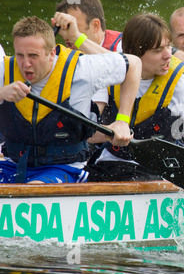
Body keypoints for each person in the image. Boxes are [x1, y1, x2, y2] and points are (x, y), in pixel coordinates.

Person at [57, 11, 184, 219]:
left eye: (168, 46)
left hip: (158, 169)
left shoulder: (180, 86)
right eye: (158, 50)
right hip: (111, 161)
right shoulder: (114, 70)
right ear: (135, 55)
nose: (169, 55)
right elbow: (85, 132)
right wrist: (109, 132)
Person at [0, 15, 141, 184]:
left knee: (34, 188)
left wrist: (122, 121)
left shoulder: (82, 69)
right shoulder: (4, 69)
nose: (25, 64)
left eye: (33, 56)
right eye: (20, 55)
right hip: (13, 164)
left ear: (52, 54)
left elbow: (133, 64)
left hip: (64, 167)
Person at [56, 0, 123, 52]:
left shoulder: (122, 47)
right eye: (63, 28)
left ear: (95, 26)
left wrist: (76, 37)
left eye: (71, 26)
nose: (65, 37)